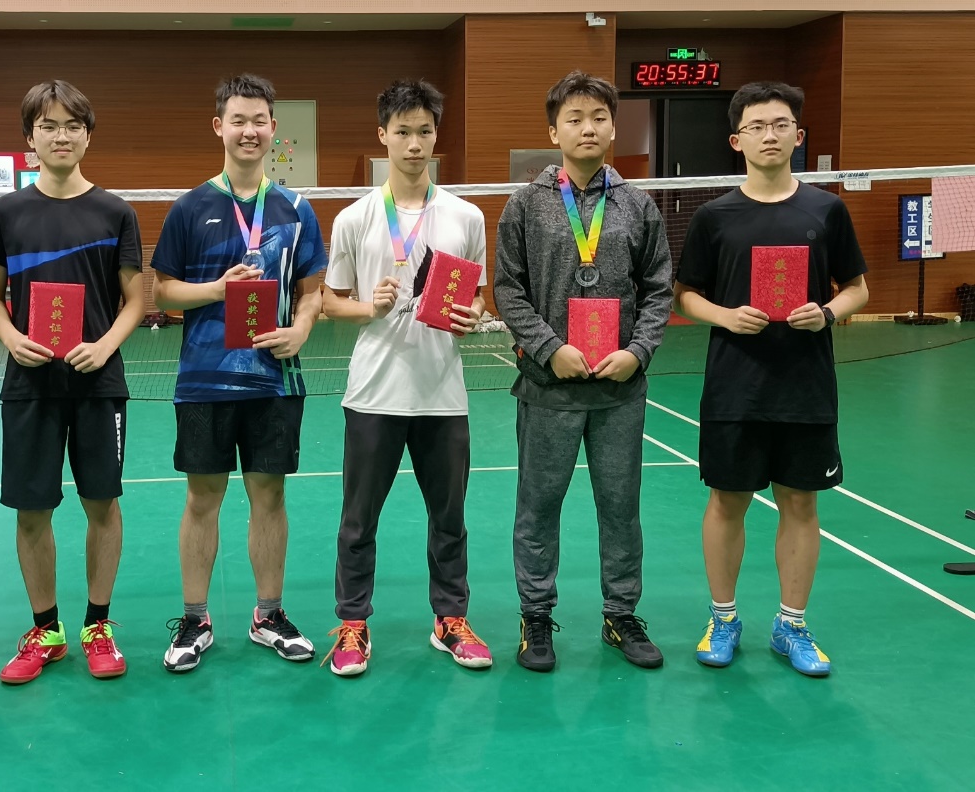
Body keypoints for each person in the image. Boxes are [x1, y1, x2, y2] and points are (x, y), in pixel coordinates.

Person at [674, 81, 869, 677]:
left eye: (780, 124)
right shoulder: (714, 217)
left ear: (798, 135)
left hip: (805, 385)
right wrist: (725, 316)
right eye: (756, 126)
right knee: (726, 501)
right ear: (737, 140)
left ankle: (792, 625)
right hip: (734, 385)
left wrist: (827, 313)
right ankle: (724, 619)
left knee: (801, 501)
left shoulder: (826, 210)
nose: (769, 135)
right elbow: (685, 295)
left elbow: (857, 288)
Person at [493, 71, 673, 673]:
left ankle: (620, 614)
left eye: (598, 117)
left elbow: (659, 290)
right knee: (538, 508)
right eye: (574, 118)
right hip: (549, 389)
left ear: (613, 127)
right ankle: (535, 616)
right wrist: (548, 349)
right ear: (554, 132)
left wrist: (638, 352)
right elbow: (507, 289)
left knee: (620, 509)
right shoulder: (526, 204)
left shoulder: (638, 205)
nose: (587, 128)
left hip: (620, 391)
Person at [152, 73, 326, 673]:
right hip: (204, 379)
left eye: (259, 121)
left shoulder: (296, 209)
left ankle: (268, 615)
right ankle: (195, 619)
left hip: (276, 378)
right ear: (218, 126)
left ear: (273, 128)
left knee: (269, 495)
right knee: (203, 497)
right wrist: (215, 289)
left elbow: (312, 289)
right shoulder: (190, 207)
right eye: (238, 120)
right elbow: (163, 291)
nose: (249, 131)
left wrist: (302, 329)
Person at [321, 79, 491, 678]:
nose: (414, 144)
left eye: (424, 132)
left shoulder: (466, 217)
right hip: (374, 393)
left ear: (435, 135)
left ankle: (450, 619)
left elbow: (476, 297)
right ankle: (352, 623)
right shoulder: (355, 218)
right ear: (383, 136)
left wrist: (473, 317)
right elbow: (329, 301)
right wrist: (366, 307)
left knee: (449, 519)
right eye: (402, 132)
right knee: (358, 521)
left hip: (442, 395)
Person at [0, 80, 144, 684]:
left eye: (72, 125)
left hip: (98, 382)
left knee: (102, 503)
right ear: (30, 138)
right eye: (48, 126)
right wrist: (8, 335)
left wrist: (104, 346)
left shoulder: (115, 212)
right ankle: (45, 630)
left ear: (88, 135)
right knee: (32, 510)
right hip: (31, 383)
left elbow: (135, 299)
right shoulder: (4, 214)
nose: (61, 135)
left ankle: (97, 625)